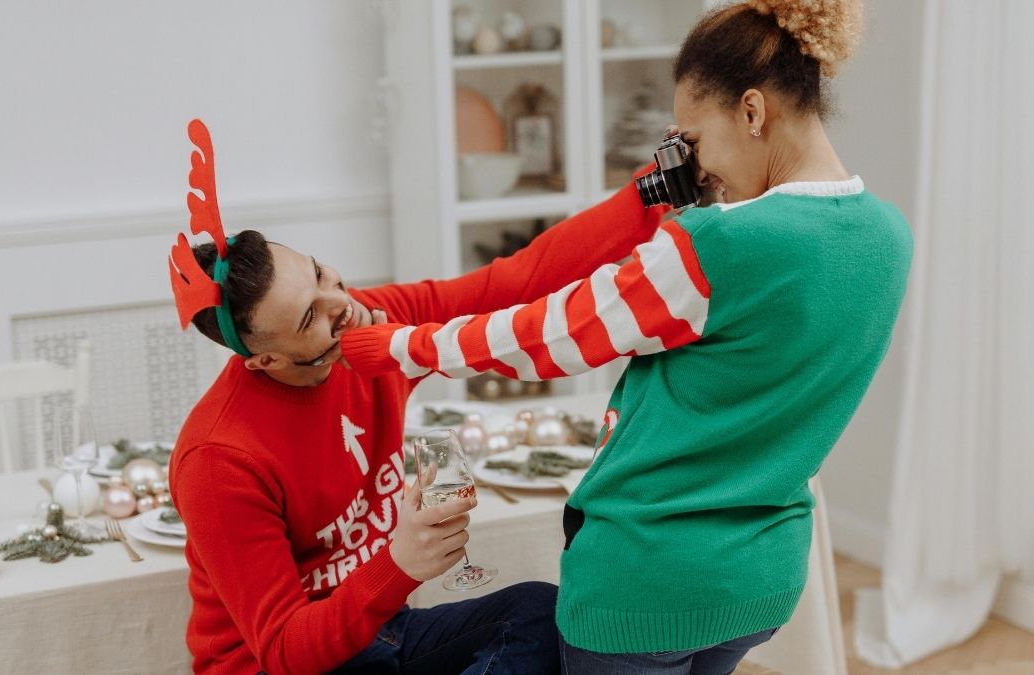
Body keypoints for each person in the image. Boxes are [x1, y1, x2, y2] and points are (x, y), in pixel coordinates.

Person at [338, 1, 911, 673]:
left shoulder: (717, 246)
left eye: (694, 141)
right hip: (763, 576)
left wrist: (403, 346)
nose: (699, 169)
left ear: (753, 111)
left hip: (646, 582)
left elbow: (553, 333)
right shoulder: (888, 238)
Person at [165, 119, 667, 673]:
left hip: (380, 636)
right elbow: (286, 651)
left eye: (320, 273)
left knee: (536, 615)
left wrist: (656, 189)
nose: (342, 303)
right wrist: (399, 565)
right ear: (265, 361)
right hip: (284, 666)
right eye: (311, 317)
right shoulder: (217, 460)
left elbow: (513, 283)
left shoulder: (371, 323)